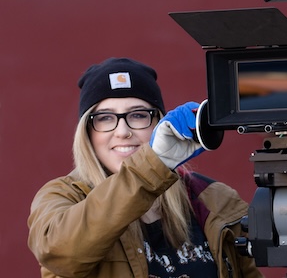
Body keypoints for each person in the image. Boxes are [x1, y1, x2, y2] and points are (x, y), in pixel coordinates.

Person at [28, 57, 263, 278]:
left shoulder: (214, 198)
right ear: (87, 133)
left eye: (139, 115)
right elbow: (59, 253)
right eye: (105, 118)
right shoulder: (64, 196)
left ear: (159, 123)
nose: (122, 131)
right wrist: (153, 165)